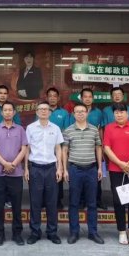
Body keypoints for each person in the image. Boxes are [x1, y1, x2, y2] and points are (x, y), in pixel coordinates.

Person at [61, 103, 104, 245]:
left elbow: (98, 148)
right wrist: (65, 169)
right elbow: (64, 151)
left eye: (82, 111)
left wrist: (100, 168)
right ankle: (74, 232)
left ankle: (93, 232)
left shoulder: (94, 130)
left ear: (87, 113)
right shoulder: (68, 130)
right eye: (77, 112)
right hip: (75, 170)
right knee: (73, 202)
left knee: (92, 203)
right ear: (73, 114)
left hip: (91, 169)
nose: (80, 114)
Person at [103, 103, 129, 245]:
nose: (119, 114)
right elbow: (107, 148)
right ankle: (121, 231)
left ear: (127, 114)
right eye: (116, 112)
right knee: (118, 201)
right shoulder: (109, 128)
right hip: (116, 170)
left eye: (122, 112)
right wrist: (120, 164)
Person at [24, 101, 64, 245]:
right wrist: (26, 168)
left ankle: (52, 232)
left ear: (50, 112)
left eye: (46, 109)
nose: (43, 111)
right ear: (36, 112)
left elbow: (58, 148)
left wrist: (60, 167)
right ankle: (35, 232)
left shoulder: (56, 128)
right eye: (40, 109)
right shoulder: (30, 128)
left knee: (52, 202)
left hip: (51, 168)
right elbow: (27, 149)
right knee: (35, 202)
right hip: (35, 168)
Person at [0, 101, 28, 246]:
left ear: (14, 112)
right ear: (1, 113)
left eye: (10, 110)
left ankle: (17, 234)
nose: (7, 112)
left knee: (17, 205)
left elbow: (24, 149)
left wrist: (13, 164)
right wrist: (5, 163)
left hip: (16, 173)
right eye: (5, 110)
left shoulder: (20, 129)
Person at [71, 88, 106, 209]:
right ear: (81, 98)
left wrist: (101, 145)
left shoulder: (98, 112)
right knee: (80, 178)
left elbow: (100, 129)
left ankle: (97, 200)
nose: (87, 99)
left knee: (96, 175)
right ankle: (82, 201)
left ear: (93, 98)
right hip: (79, 147)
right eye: (85, 96)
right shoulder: (76, 111)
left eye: (90, 96)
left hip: (94, 147)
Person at [47, 87, 70, 208]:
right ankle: (45, 200)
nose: (52, 98)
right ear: (47, 98)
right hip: (45, 149)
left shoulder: (64, 113)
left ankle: (58, 200)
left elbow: (66, 131)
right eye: (50, 96)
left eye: (54, 96)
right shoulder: (43, 111)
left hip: (59, 148)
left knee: (58, 171)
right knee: (46, 174)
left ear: (58, 98)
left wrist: (66, 148)